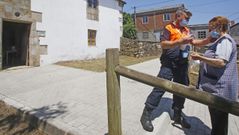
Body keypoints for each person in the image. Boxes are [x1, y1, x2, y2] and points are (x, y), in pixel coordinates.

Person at [140, 8, 193, 132]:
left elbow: (191, 41)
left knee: (181, 89)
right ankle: (146, 114)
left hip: (182, 63)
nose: (187, 21)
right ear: (178, 16)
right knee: (160, 87)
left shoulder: (186, 30)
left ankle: (178, 115)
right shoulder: (168, 28)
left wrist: (205, 41)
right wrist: (179, 41)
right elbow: (163, 44)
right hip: (168, 64)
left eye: (189, 19)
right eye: (186, 18)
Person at [191, 16, 238, 135]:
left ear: (219, 27)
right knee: (218, 121)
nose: (209, 32)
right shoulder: (220, 41)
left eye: (211, 28)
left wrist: (200, 57)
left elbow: (220, 62)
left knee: (219, 121)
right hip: (216, 87)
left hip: (220, 89)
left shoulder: (225, 41)